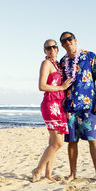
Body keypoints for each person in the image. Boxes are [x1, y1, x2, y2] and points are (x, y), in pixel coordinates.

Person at [59, 31, 96, 184]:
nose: (67, 42)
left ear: (75, 40)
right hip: (70, 106)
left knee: (93, 139)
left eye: (69, 39)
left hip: (88, 105)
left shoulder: (90, 56)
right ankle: (72, 174)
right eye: (63, 41)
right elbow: (61, 85)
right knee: (72, 141)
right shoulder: (63, 61)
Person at [32, 39, 72, 182]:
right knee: (58, 143)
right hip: (50, 105)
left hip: (60, 106)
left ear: (57, 49)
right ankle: (37, 170)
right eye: (48, 48)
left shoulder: (59, 65)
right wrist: (61, 87)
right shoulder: (46, 64)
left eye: (54, 47)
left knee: (53, 143)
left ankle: (48, 174)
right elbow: (42, 86)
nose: (52, 50)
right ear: (45, 51)